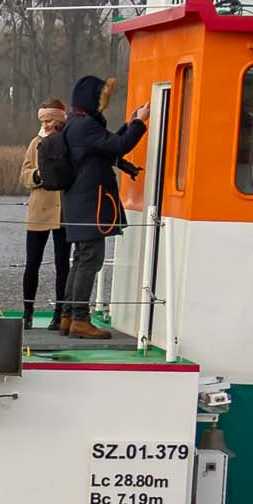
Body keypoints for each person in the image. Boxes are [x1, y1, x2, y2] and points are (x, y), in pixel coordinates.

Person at [52, 74, 150, 336]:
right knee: (90, 261)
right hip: (90, 205)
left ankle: (68, 316)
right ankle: (80, 320)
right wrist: (139, 123)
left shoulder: (76, 123)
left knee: (79, 260)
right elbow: (120, 144)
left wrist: (130, 122)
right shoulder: (85, 127)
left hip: (78, 203)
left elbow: (106, 146)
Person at [19, 97, 70, 316]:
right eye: (43, 121)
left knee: (63, 266)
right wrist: (39, 176)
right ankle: (27, 312)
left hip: (64, 212)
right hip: (39, 210)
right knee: (32, 263)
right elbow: (24, 175)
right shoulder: (35, 144)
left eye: (50, 120)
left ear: (59, 120)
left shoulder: (70, 142)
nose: (46, 125)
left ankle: (61, 313)